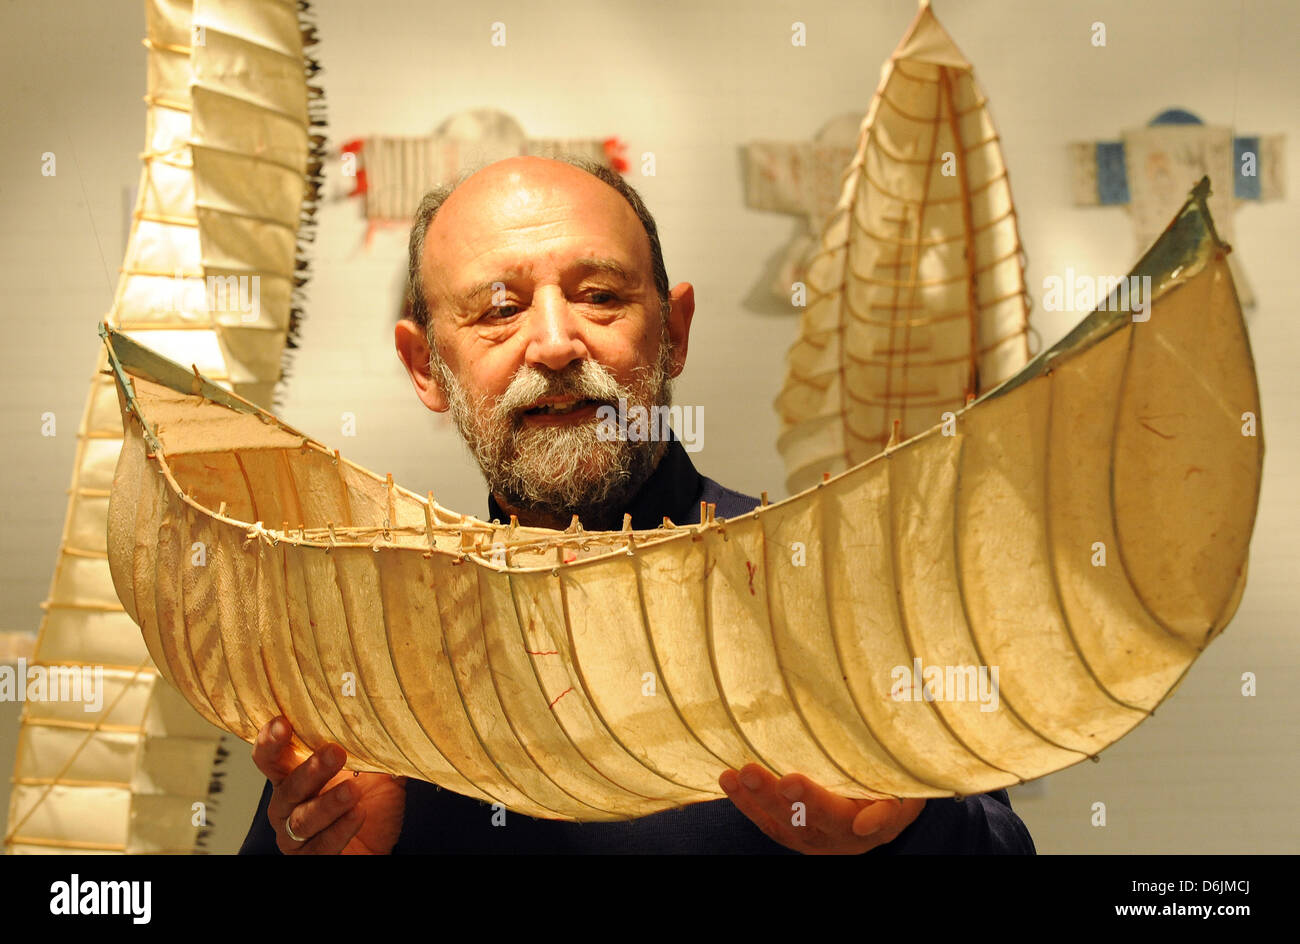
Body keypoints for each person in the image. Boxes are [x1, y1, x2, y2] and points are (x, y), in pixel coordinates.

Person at [239, 154, 1035, 855]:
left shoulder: (824, 588)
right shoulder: (373, 640)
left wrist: (904, 835)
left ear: (674, 332)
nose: (554, 344)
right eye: (500, 309)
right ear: (424, 367)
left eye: (599, 295)